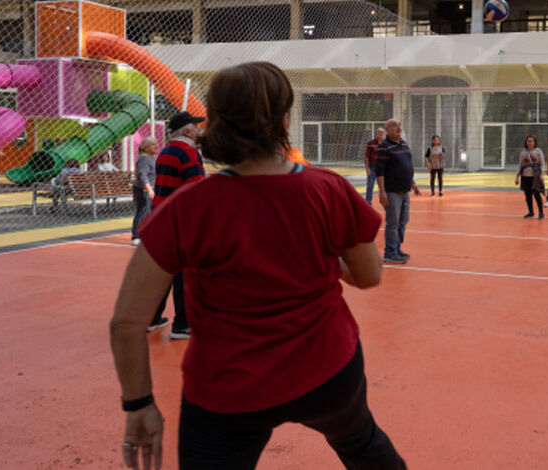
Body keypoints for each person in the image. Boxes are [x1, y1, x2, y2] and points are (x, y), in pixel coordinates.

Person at [110, 61, 406, 470]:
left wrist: (139, 404)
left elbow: (126, 322)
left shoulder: (188, 208)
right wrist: (320, 253)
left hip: (228, 389)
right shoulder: (328, 189)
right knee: (362, 443)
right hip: (328, 369)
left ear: (216, 123)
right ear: (284, 119)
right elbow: (369, 275)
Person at [147, 110, 206, 339]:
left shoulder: (164, 152)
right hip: (181, 220)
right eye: (196, 127)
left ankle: (152, 317)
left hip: (161, 216)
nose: (199, 130)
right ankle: (182, 324)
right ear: (188, 131)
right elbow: (195, 190)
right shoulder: (189, 153)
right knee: (184, 273)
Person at [376, 118, 421, 264]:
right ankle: (390, 253)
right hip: (392, 192)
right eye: (394, 126)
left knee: (403, 221)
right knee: (393, 222)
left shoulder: (403, 144)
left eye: (399, 125)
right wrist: (382, 192)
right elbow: (380, 171)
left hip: (405, 190)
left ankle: (397, 248)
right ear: (388, 130)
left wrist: (413, 184)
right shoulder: (384, 147)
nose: (398, 128)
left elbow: (407, 166)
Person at [130, 137, 158, 247]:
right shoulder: (144, 158)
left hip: (151, 188)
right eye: (152, 144)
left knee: (150, 212)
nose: (156, 146)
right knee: (143, 211)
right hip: (143, 189)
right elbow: (142, 175)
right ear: (145, 147)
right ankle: (136, 236)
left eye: (156, 143)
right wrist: (149, 189)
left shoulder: (154, 158)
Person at [514, 135, 546, 219]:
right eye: (528, 141)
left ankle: (541, 213)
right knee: (528, 195)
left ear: (534, 142)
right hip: (525, 176)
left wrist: (542, 175)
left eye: (532, 141)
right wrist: (517, 177)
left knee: (536, 194)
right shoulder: (523, 153)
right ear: (526, 142)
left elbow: (542, 164)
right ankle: (531, 212)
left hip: (535, 176)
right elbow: (520, 165)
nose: (530, 143)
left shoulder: (538, 151)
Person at [364, 128, 384, 204]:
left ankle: (385, 203)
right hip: (372, 167)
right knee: (370, 185)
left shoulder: (386, 144)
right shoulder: (370, 143)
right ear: (376, 133)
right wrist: (367, 168)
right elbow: (366, 156)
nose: (381, 134)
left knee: (383, 187)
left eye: (382, 132)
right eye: (379, 132)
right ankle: (368, 202)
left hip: (382, 169)